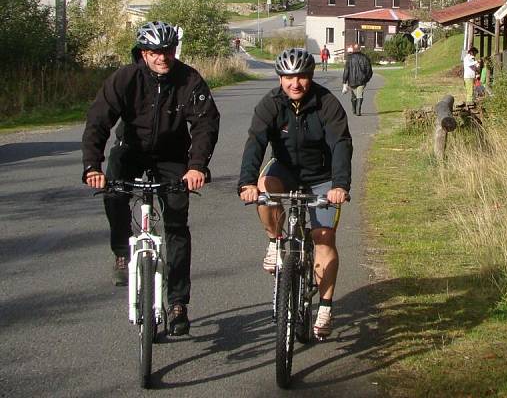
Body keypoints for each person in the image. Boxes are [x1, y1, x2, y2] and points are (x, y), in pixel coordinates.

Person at [81, 21, 220, 336]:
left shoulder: (189, 80)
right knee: (114, 192)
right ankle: (121, 251)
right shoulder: (125, 79)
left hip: (173, 156)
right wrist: (92, 166)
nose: (163, 57)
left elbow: (205, 125)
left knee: (176, 225)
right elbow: (98, 121)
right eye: (156, 52)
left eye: (168, 50)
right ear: (143, 53)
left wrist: (196, 166)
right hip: (131, 150)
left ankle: (178, 302)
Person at [238, 47, 352, 339]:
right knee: (265, 188)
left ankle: (325, 306)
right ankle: (275, 242)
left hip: (322, 176)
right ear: (279, 78)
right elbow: (256, 142)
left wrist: (340, 185)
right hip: (285, 171)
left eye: (301, 76)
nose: (295, 83)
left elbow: (341, 143)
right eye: (288, 77)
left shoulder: (326, 103)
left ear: (310, 76)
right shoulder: (271, 104)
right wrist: (247, 183)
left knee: (323, 238)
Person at [342, 44, 372, 116]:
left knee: (353, 96)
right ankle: (358, 110)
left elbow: (346, 71)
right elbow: (369, 70)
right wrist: (366, 79)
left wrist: (344, 82)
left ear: (353, 50)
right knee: (359, 95)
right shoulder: (365, 58)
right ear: (360, 49)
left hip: (351, 81)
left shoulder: (349, 58)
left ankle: (354, 109)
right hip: (362, 81)